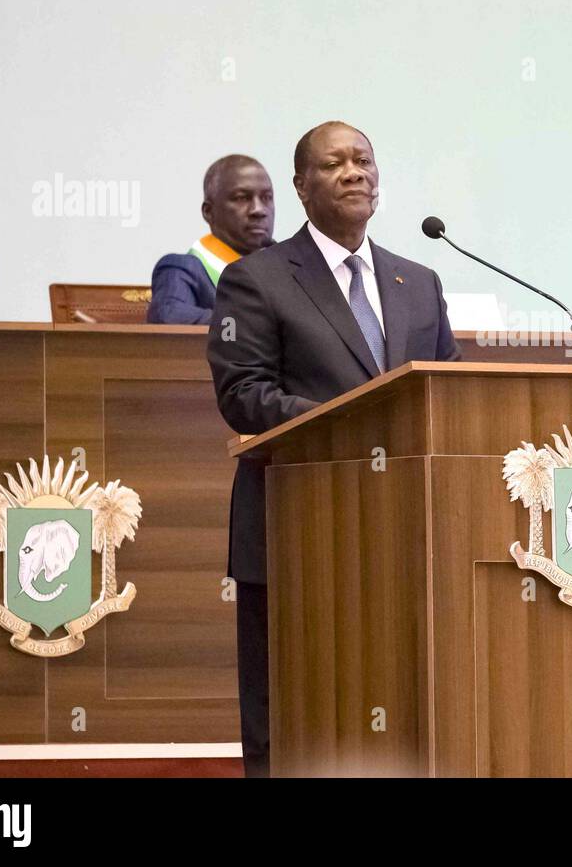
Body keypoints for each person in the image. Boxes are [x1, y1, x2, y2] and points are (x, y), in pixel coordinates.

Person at [207, 121, 460, 777]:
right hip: (297, 530)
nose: (354, 171)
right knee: (291, 714)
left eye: (364, 160)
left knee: (404, 708)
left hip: (407, 540)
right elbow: (244, 393)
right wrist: (358, 421)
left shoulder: (420, 282)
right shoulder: (256, 279)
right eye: (334, 162)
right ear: (301, 186)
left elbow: (450, 397)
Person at [147, 155, 275, 323]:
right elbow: (168, 317)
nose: (259, 210)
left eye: (266, 198)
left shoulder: (285, 272)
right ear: (209, 212)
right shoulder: (183, 269)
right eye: (242, 198)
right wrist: (260, 325)